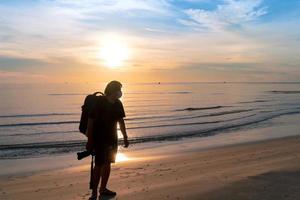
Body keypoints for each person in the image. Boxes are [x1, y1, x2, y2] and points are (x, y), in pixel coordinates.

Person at [86, 80, 129, 200]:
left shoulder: (118, 104)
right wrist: (90, 140)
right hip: (99, 139)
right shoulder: (100, 102)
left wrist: (125, 137)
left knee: (108, 163)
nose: (120, 92)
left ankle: (103, 188)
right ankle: (94, 193)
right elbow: (90, 121)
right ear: (112, 90)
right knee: (98, 165)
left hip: (112, 138)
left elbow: (121, 121)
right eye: (119, 90)